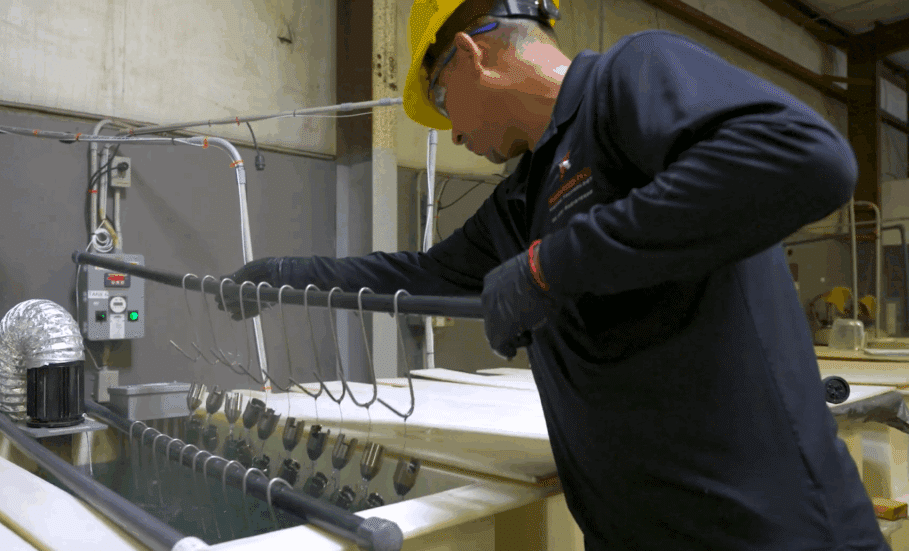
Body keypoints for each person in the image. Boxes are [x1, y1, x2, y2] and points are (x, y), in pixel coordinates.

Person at [221, 0, 889, 548]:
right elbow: (422, 272)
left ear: (471, 55)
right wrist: (290, 274)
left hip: (773, 533)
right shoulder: (522, 198)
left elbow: (807, 158)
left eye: (444, 103)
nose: (453, 136)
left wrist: (550, 268)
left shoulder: (626, 81)